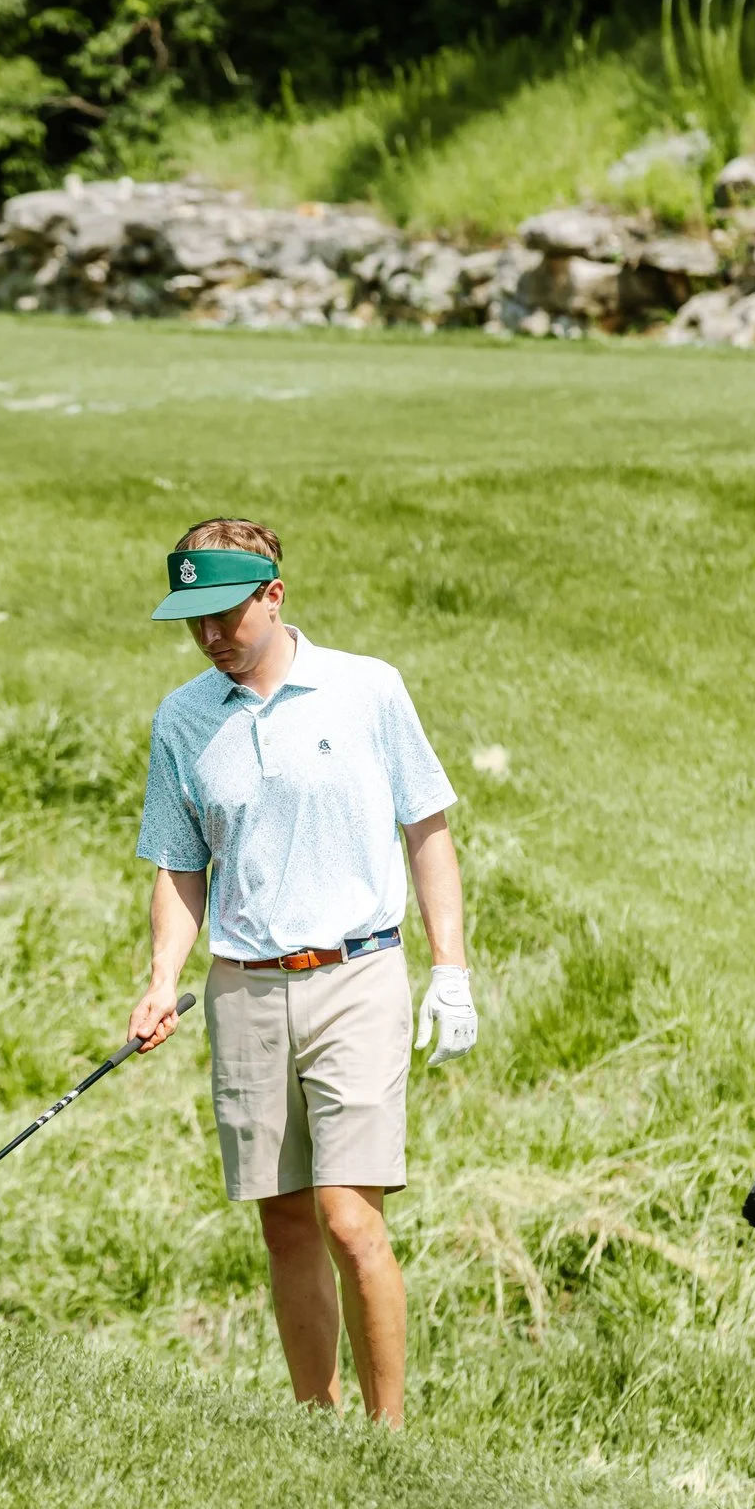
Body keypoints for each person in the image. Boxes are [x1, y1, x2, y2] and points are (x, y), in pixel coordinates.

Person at [126, 518, 476, 1427]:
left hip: (357, 973)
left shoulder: (366, 688)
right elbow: (179, 863)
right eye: (193, 620)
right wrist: (164, 976)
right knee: (282, 1221)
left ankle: (388, 1436)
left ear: (273, 595)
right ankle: (315, 1426)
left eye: (224, 614)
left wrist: (452, 970)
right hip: (244, 985)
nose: (209, 636)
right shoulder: (183, 717)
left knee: (348, 1219)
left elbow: (426, 828)